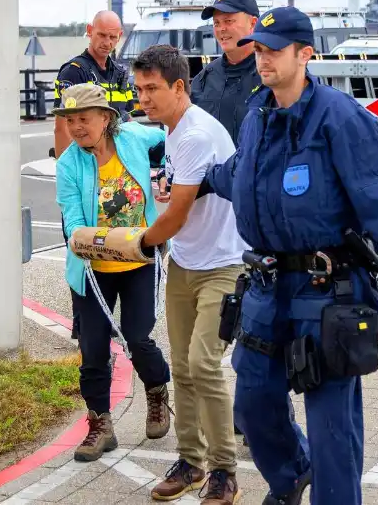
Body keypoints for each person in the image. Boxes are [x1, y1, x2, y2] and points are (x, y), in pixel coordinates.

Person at [194, 7, 378, 505]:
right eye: (258, 49)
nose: (262, 59)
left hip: (327, 293)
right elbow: (241, 174)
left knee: (331, 427)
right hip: (265, 288)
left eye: (274, 50)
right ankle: (292, 477)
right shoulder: (259, 117)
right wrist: (195, 183)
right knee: (254, 405)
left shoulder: (340, 118)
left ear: (305, 54)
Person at [129, 45, 244, 504]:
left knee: (202, 364)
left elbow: (175, 214)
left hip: (224, 264)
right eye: (139, 89)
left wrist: (139, 243)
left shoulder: (196, 134)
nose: (144, 99)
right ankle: (190, 461)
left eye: (152, 89)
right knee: (181, 366)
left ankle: (224, 470)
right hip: (186, 262)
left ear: (179, 87)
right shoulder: (173, 130)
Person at [53, 83, 173, 463]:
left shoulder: (135, 138)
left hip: (140, 262)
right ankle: (100, 424)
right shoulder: (68, 165)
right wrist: (88, 239)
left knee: (138, 337)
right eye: (69, 120)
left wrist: (170, 175)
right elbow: (72, 224)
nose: (75, 127)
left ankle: (156, 392)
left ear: (105, 118)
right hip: (92, 270)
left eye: (83, 119)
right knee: (93, 350)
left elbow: (173, 135)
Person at [51, 10, 129, 340]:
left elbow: (125, 124)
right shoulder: (74, 71)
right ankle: (83, 324)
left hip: (113, 171)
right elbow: (63, 125)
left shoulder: (121, 72)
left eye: (113, 37)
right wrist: (68, 169)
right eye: (102, 35)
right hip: (82, 170)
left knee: (110, 242)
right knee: (80, 242)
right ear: (89, 31)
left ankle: (106, 318)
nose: (107, 42)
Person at [190, 0, 262, 145]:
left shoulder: (272, 75)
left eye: (229, 21)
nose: (221, 29)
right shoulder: (204, 79)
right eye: (216, 23)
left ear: (253, 23)